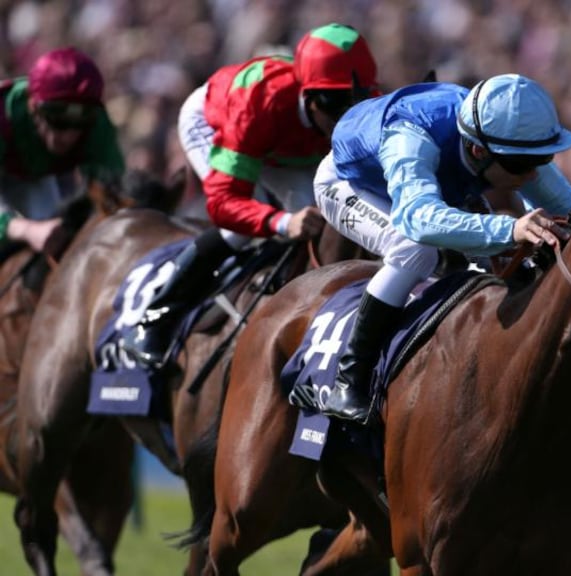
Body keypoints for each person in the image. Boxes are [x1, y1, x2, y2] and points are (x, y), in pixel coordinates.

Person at [313, 73, 571, 423]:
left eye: (542, 159)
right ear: (478, 150)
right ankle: (349, 379)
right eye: (521, 165)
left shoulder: (501, 141)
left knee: (494, 262)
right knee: (414, 250)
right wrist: (512, 228)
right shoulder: (410, 137)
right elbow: (418, 220)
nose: (533, 175)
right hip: (350, 184)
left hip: (430, 186)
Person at [122, 23, 380, 367]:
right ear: (307, 94)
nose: (345, 117)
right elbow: (224, 204)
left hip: (290, 148)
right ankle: (156, 316)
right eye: (334, 103)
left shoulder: (362, 106)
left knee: (331, 215)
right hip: (217, 125)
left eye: (356, 101)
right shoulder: (258, 103)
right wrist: (283, 222)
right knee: (240, 228)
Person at [0, 47, 124, 253]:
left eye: (81, 122)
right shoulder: (3, 116)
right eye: (57, 120)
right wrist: (25, 229)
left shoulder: (97, 123)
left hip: (31, 176)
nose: (68, 135)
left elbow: (112, 194)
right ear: (33, 106)